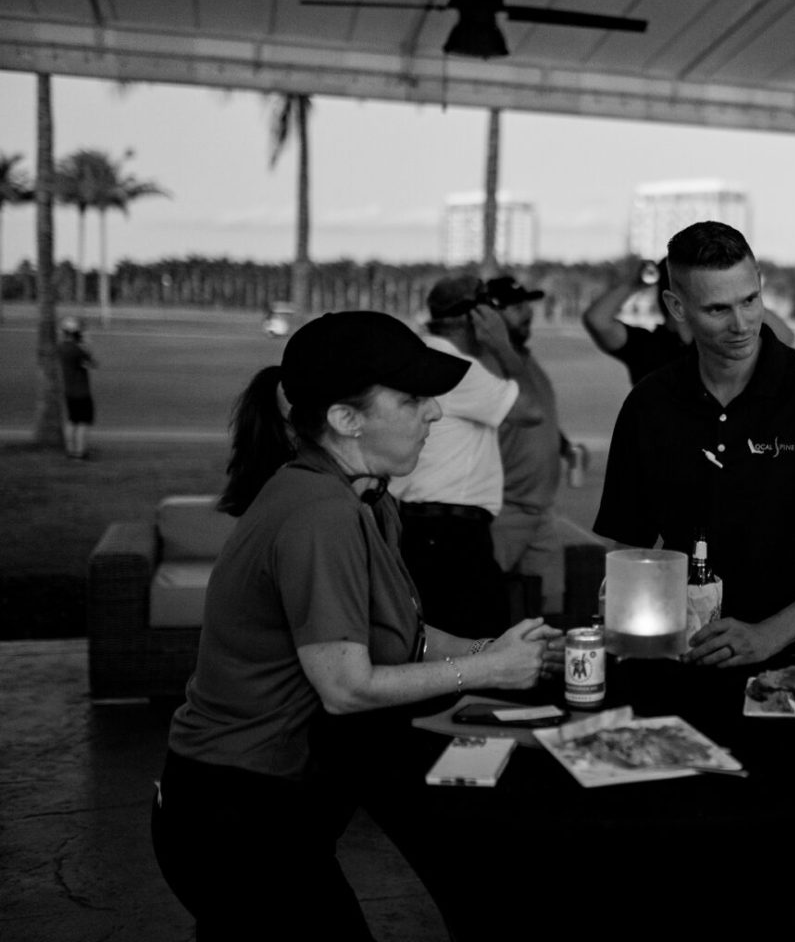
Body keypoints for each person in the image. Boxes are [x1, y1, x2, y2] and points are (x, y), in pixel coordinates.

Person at [151, 310, 564, 940]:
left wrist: (502, 650)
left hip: (274, 805)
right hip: (235, 813)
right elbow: (345, 686)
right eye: (412, 399)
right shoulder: (320, 513)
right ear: (346, 420)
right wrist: (489, 670)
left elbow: (407, 636)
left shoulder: (370, 499)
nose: (435, 413)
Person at [593, 221, 795, 669]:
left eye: (750, 300)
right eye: (718, 309)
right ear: (676, 307)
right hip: (677, 664)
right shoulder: (648, 405)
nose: (742, 325)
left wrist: (769, 636)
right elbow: (628, 551)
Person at [389, 276, 525, 638]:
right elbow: (532, 408)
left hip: (415, 526)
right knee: (481, 643)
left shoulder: (418, 355)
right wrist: (503, 344)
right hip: (451, 535)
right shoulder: (455, 366)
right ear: (476, 315)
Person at [485, 274, 577, 617]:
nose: (528, 313)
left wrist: (561, 443)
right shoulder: (486, 363)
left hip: (540, 511)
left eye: (527, 305)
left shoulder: (522, 358)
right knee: (491, 607)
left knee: (550, 608)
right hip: (501, 512)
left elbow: (535, 413)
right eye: (517, 307)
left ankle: (542, 670)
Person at [582, 256, 795, 386]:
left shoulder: (718, 344)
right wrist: (632, 283)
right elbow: (597, 320)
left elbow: (784, 337)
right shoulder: (646, 346)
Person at [57, 315, 96, 459]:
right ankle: (80, 452)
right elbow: (92, 364)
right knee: (83, 422)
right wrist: (87, 344)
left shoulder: (62, 347)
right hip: (82, 392)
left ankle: (70, 450)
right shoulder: (77, 350)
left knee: (72, 420)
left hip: (69, 391)